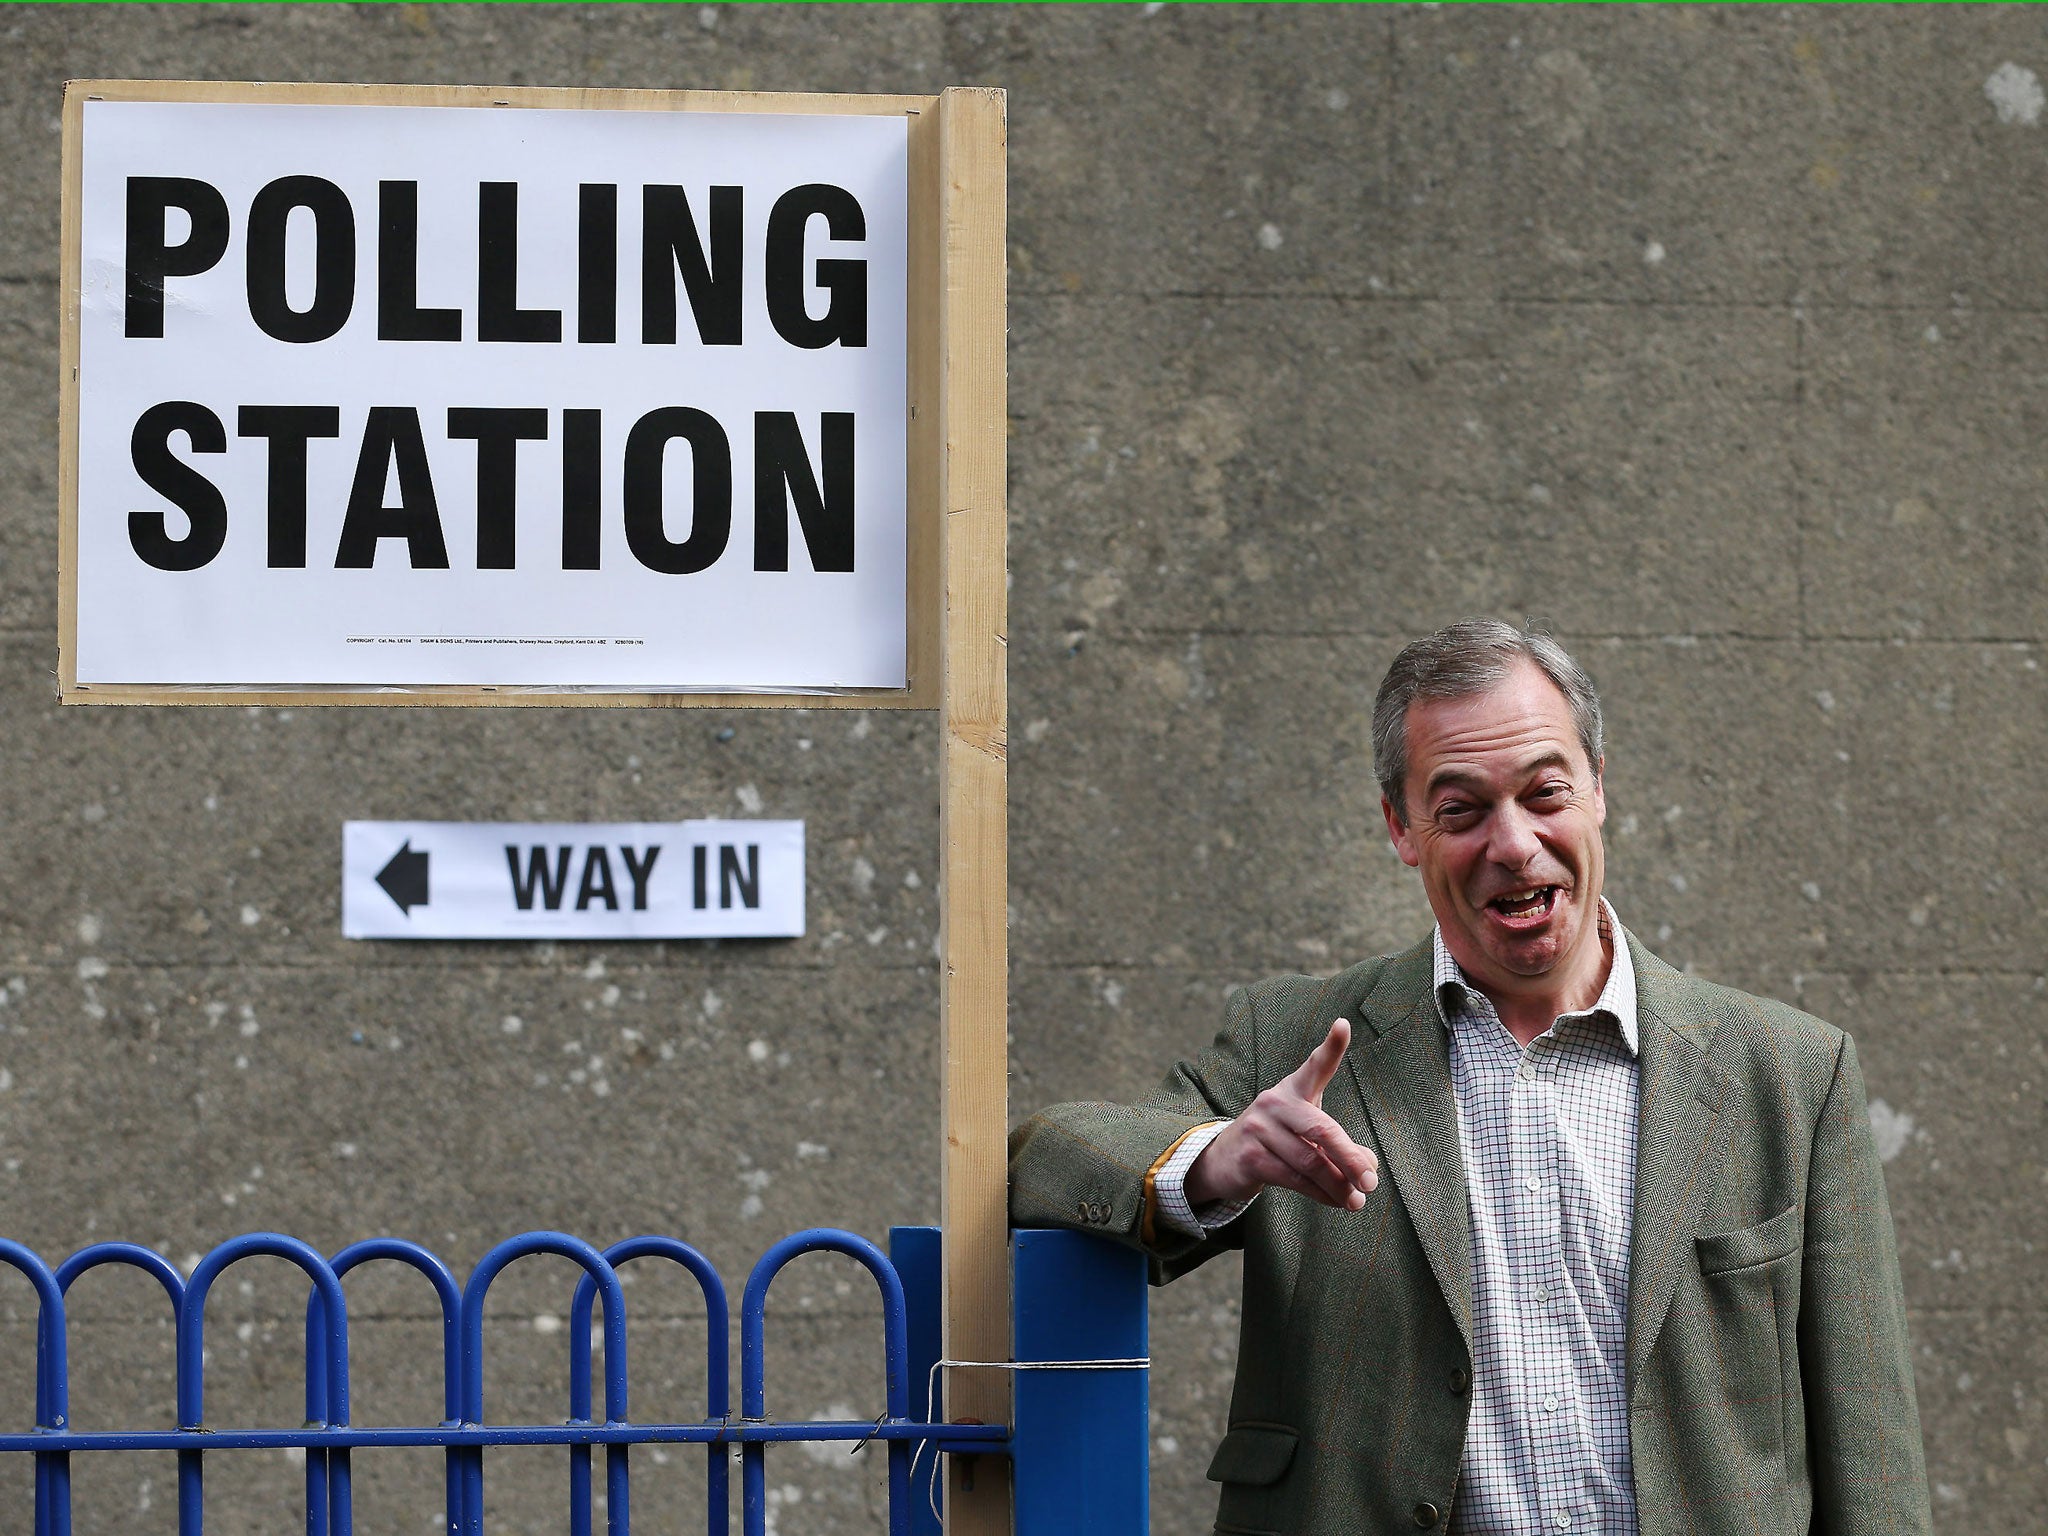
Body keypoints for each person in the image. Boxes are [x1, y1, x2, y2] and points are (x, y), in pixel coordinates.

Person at [1008, 619, 1931, 1536]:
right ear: (1401, 828)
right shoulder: (1294, 1045)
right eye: (1462, 810)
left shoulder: (1791, 1074)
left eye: (1546, 793)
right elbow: (1043, 1161)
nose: (1516, 844)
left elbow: (1872, 1459)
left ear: (1599, 789)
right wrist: (1220, 1161)